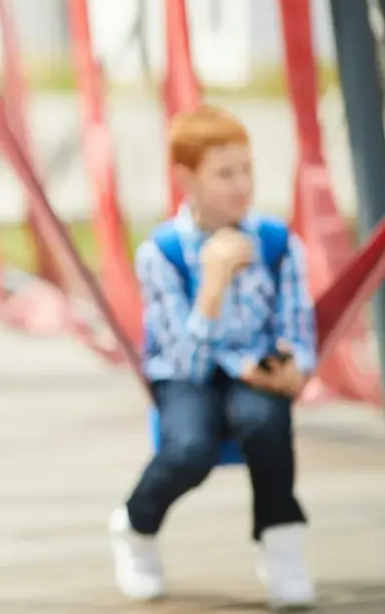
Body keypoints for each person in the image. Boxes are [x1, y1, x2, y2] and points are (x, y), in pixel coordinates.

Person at [108, 106, 317, 610]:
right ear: (187, 179)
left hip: (252, 369)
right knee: (190, 448)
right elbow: (183, 362)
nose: (241, 184)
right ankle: (135, 527)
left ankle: (280, 543)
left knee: (265, 422)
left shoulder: (276, 243)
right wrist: (214, 284)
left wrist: (295, 365)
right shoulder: (163, 253)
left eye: (247, 169)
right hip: (187, 373)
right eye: (225, 173)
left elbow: (296, 325)